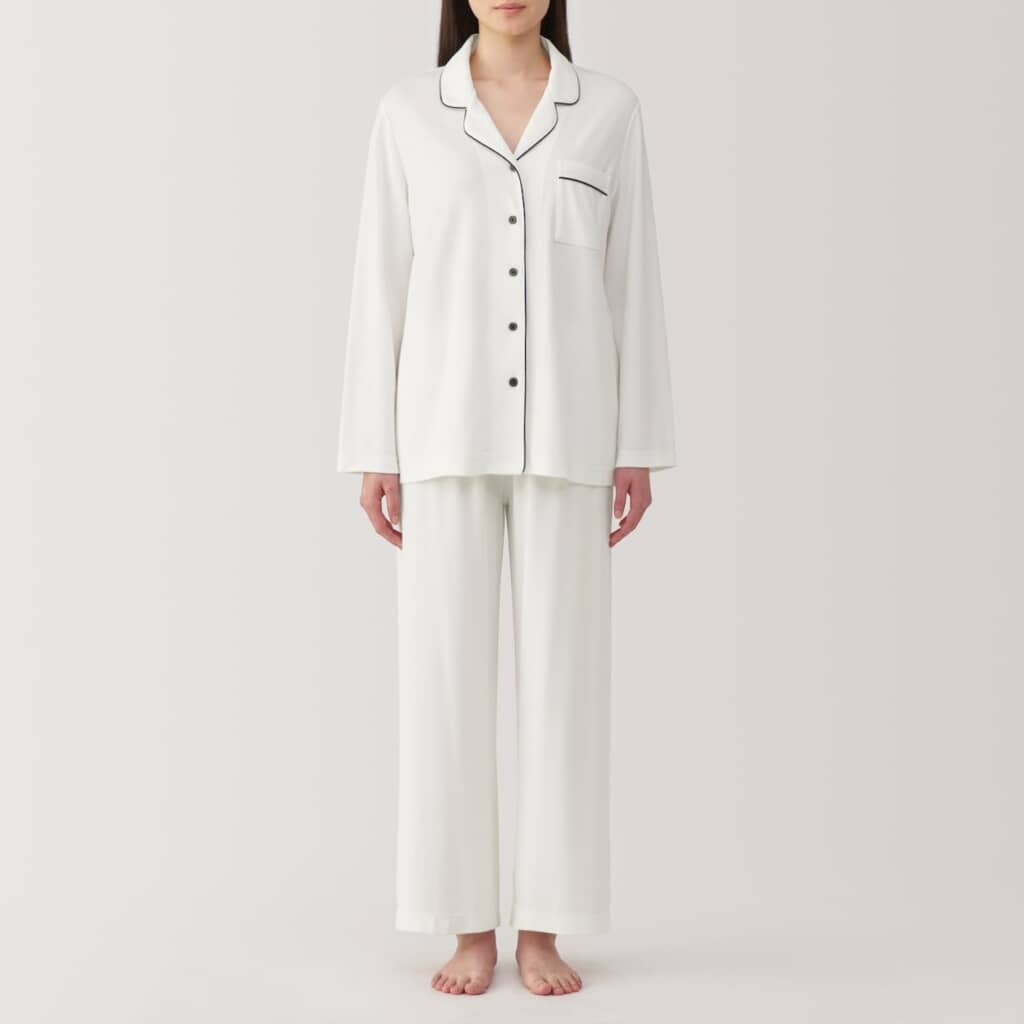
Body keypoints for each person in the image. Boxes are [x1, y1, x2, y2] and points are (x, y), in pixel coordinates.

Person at [338, 0, 676, 998]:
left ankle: (544, 927)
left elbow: (632, 278)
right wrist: (373, 448)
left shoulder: (608, 110)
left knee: (564, 687)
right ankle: (466, 928)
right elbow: (379, 281)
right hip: (441, 433)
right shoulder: (409, 111)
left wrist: (638, 444)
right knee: (443, 685)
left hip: (571, 433)